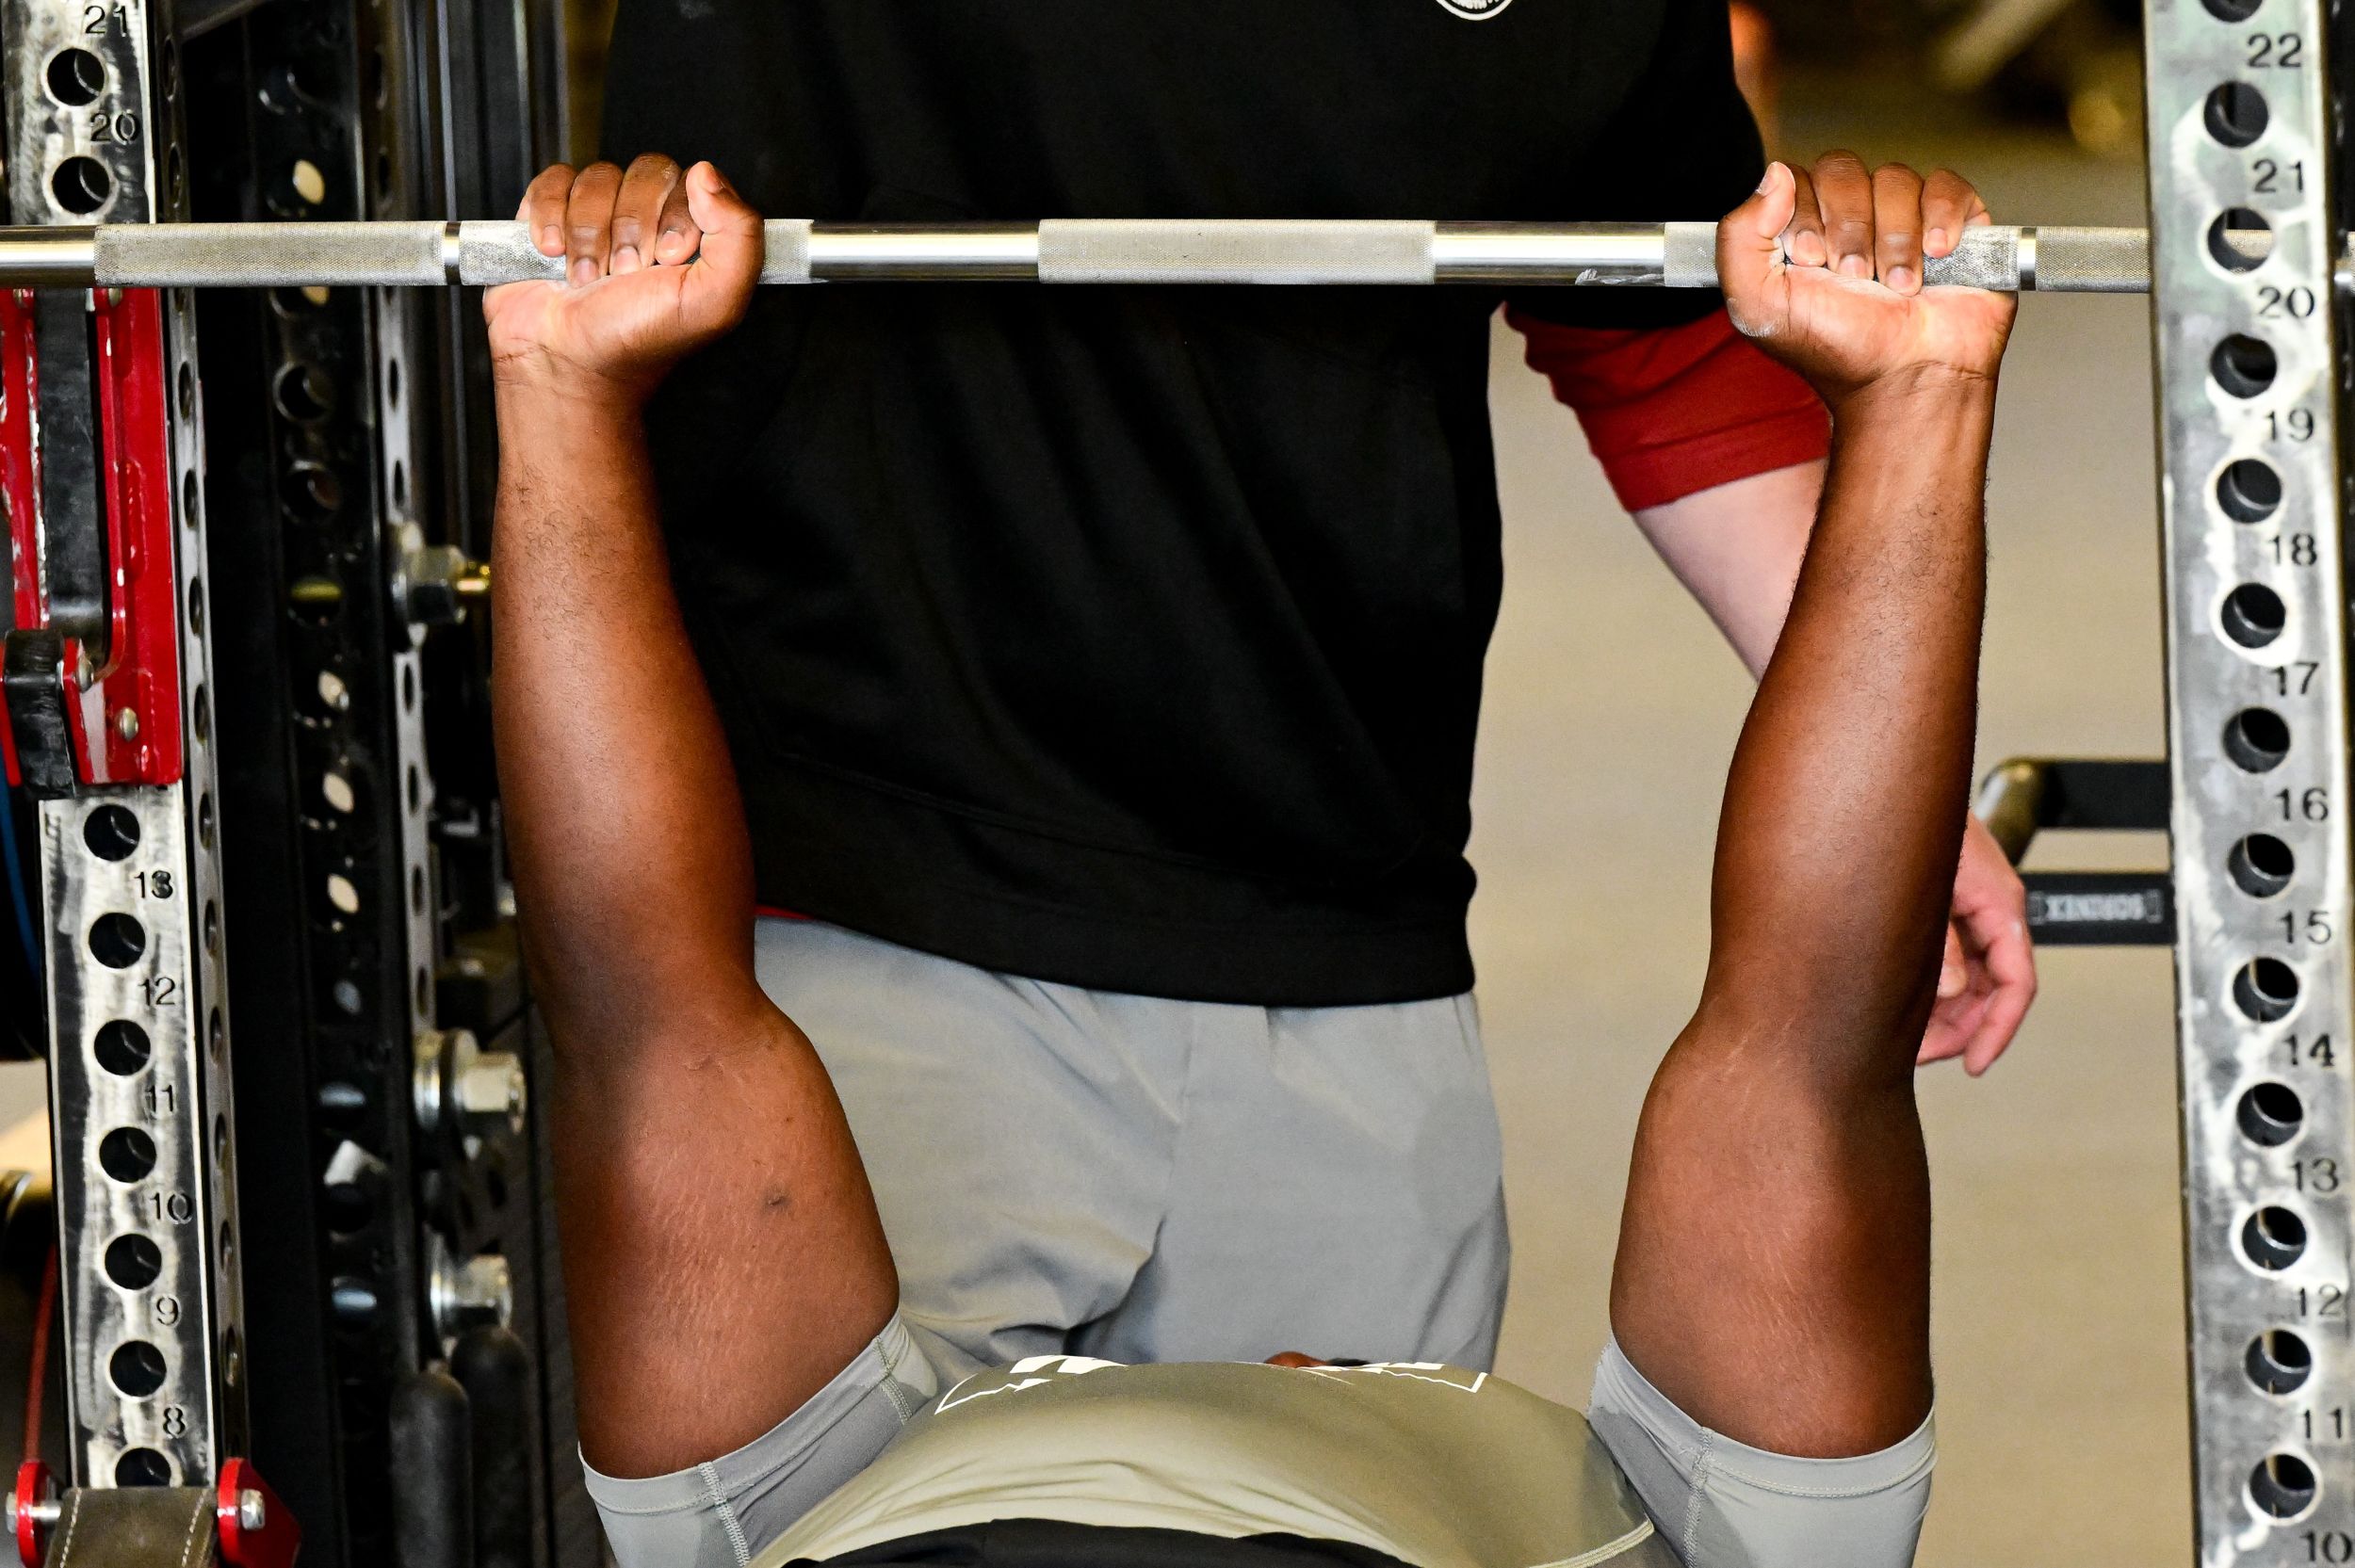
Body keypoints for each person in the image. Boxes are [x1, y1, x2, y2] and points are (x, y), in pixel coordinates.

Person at [482, 147, 2013, 1568]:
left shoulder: (791, 1509)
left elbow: (651, 1020)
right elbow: (1803, 1046)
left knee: (662, 1055)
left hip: (904, 1513)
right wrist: (1921, 407)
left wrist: (561, 395)